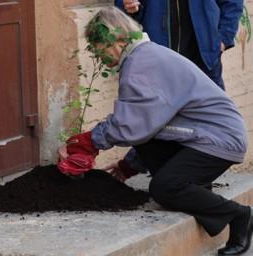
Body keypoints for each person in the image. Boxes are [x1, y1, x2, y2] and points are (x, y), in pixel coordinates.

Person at [58, 8, 252, 256]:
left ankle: (239, 216)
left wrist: (88, 142)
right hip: (201, 136)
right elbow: (151, 126)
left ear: (117, 39)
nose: (97, 54)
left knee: (164, 188)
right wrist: (129, 165)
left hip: (218, 140)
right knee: (169, 186)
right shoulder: (142, 57)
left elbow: (131, 123)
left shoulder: (142, 63)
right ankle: (196, 188)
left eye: (98, 46)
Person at [114, 0, 244, 91]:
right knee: (161, 118)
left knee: (212, 116)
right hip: (159, 55)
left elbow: (233, 3)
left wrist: (223, 39)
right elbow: (123, 6)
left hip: (203, 54)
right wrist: (128, 6)